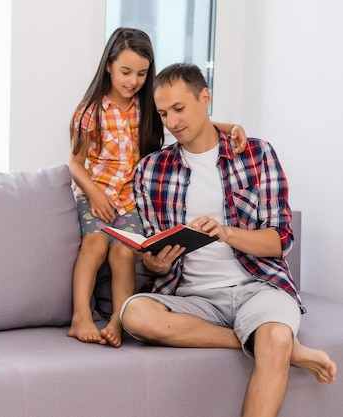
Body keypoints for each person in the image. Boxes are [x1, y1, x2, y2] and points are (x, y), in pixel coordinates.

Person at [119, 62, 337, 416]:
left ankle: (273, 341)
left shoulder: (256, 154)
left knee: (276, 336)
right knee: (135, 314)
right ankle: (261, 342)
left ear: (205, 98)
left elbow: (280, 240)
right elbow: (150, 247)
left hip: (258, 286)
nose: (172, 122)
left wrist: (227, 233)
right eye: (163, 114)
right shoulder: (151, 170)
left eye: (179, 108)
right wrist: (153, 262)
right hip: (193, 296)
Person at [67, 27, 247, 348]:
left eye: (141, 73)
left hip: (129, 200)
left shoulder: (147, 106)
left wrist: (231, 127)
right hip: (96, 196)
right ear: (108, 66)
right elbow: (75, 163)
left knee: (124, 252)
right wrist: (93, 193)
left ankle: (117, 319)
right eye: (125, 72)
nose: (132, 80)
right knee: (94, 246)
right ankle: (81, 316)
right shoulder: (90, 111)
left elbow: (186, 119)